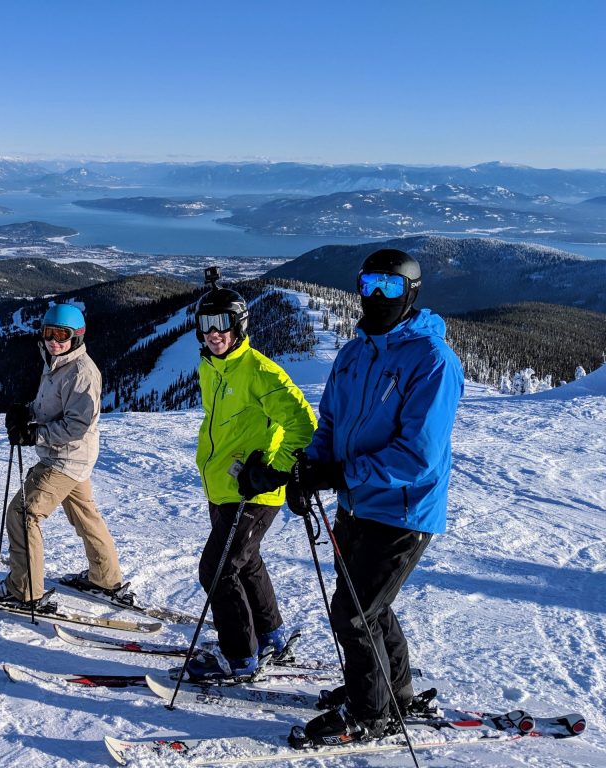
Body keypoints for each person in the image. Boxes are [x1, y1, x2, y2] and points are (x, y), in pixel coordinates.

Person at [286, 248, 464, 746]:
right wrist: (310, 468)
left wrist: (342, 474)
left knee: (355, 612)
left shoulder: (432, 360)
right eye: (368, 286)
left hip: (405, 509)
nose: (376, 298)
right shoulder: (355, 351)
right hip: (356, 503)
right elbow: (331, 423)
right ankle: (394, 691)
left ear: (410, 293)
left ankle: (371, 712)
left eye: (389, 288)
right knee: (370, 606)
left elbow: (418, 456)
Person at [187, 272, 318, 680]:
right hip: (225, 488)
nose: (214, 334)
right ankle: (270, 634)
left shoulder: (260, 371)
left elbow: (304, 424)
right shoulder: (212, 367)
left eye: (222, 324)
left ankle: (240, 657)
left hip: (253, 493)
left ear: (239, 326)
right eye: (206, 325)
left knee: (217, 568)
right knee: (245, 562)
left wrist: (272, 471)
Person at [0, 303, 130, 609]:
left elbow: (77, 424)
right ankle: (104, 577)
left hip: (65, 459)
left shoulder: (82, 373)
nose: (55, 340)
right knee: (85, 516)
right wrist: (26, 412)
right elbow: (51, 405)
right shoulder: (57, 362)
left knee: (23, 514)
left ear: (77, 337)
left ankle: (24, 589)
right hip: (73, 457)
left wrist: (35, 434)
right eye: (49, 333)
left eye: (62, 335)